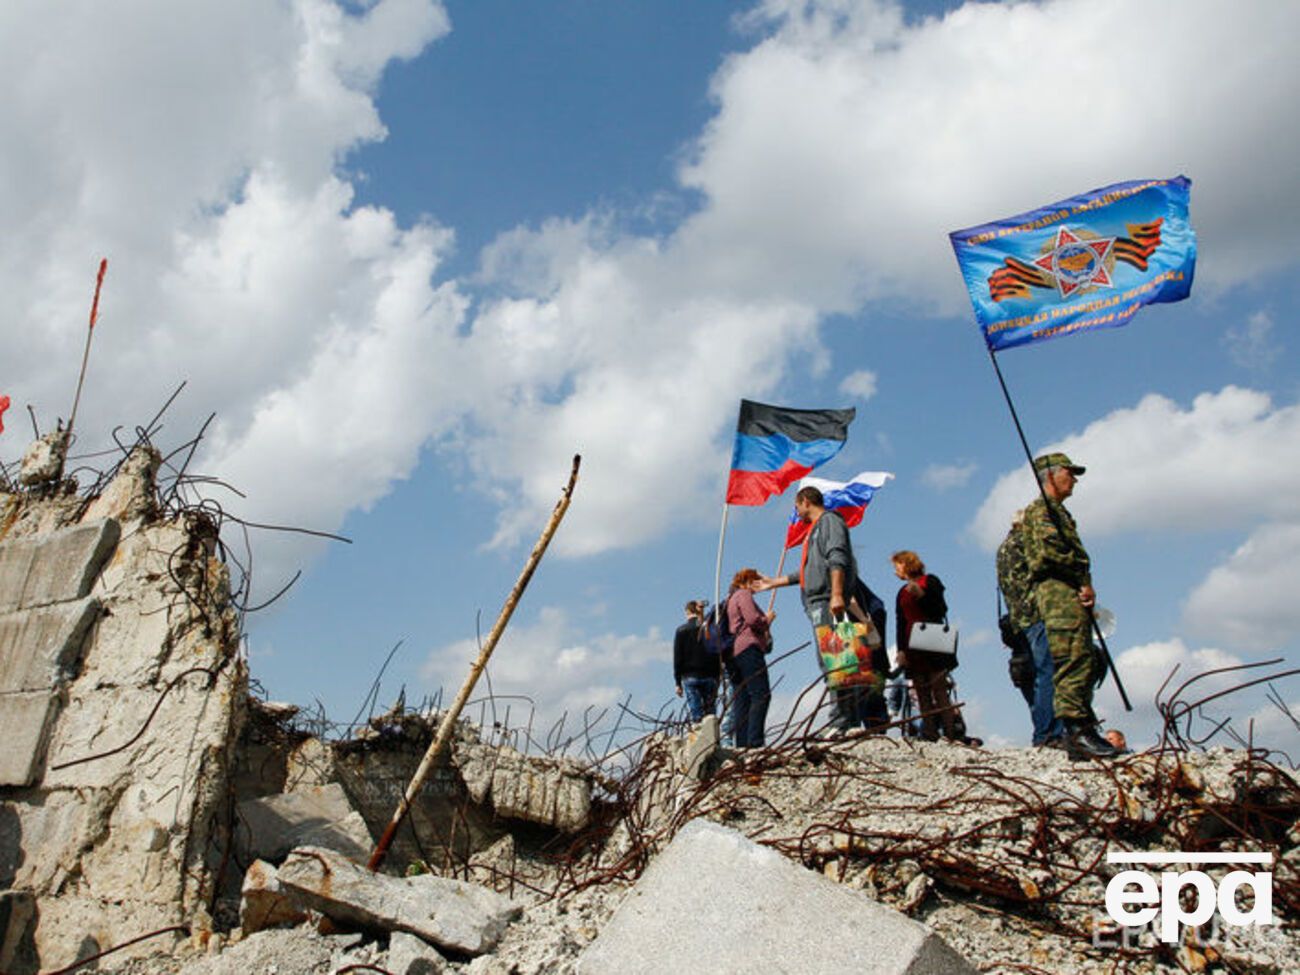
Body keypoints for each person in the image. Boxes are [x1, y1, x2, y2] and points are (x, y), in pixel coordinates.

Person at [1023, 452, 1118, 760]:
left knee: (1083, 656)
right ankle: (1076, 730)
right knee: (1072, 658)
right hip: (1057, 594)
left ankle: (1083, 726)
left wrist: (1085, 584)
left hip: (1069, 591)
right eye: (1069, 472)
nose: (1074, 479)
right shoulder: (1041, 512)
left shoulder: (1059, 513)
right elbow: (1050, 553)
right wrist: (1081, 574)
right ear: (1051, 475)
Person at [755, 485, 863, 732]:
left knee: (836, 659)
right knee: (835, 659)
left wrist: (836, 594)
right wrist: (774, 581)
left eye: (796, 506)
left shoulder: (830, 522)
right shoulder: (814, 530)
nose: (796, 512)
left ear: (805, 501)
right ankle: (849, 720)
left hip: (828, 600)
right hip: (819, 600)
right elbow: (807, 572)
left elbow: (838, 556)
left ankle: (843, 721)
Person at [997, 508, 1065, 748]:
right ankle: (1050, 733)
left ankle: (1044, 731)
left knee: (1035, 675)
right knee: (1048, 672)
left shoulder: (1004, 547)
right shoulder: (1025, 544)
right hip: (1036, 614)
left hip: (1018, 620)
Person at [892, 550, 964, 742]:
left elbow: (940, 609)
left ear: (906, 564)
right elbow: (900, 622)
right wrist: (900, 650)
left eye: (897, 565)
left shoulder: (930, 581)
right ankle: (929, 733)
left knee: (939, 688)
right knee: (920, 691)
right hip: (911, 644)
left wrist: (922, 595)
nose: (895, 571)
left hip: (932, 641)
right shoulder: (901, 593)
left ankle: (950, 733)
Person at [726, 568, 773, 748]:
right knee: (761, 694)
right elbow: (753, 619)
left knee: (742, 699)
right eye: (756, 581)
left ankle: (743, 743)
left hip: (735, 652)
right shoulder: (743, 594)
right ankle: (755, 742)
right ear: (748, 581)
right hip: (749, 647)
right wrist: (767, 619)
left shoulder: (731, 598)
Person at [673, 600, 720, 722]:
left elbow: (678, 657)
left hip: (690, 675)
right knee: (710, 713)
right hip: (710, 675)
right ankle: (713, 737)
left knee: (696, 714)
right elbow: (716, 652)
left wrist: (677, 682)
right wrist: (718, 675)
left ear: (687, 611)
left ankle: (701, 736)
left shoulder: (681, 631)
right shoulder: (710, 629)